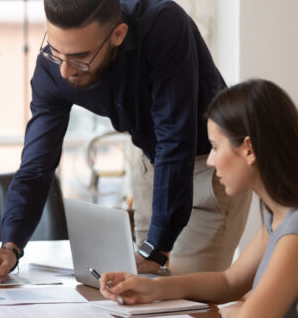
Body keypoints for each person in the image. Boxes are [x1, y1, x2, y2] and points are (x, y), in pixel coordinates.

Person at [0, 0, 251, 281]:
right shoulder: (52, 68)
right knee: (142, 296)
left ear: (117, 35)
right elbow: (36, 166)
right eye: (56, 50)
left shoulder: (162, 26)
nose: (65, 71)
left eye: (80, 58)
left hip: (211, 170)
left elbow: (175, 138)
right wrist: (11, 245)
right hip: (152, 167)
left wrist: (156, 249)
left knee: (187, 297)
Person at [100, 79, 298, 318]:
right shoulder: (276, 214)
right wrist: (153, 288)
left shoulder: (293, 230)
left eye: (215, 147)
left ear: (249, 149)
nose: (211, 161)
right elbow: (229, 282)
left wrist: (236, 311)